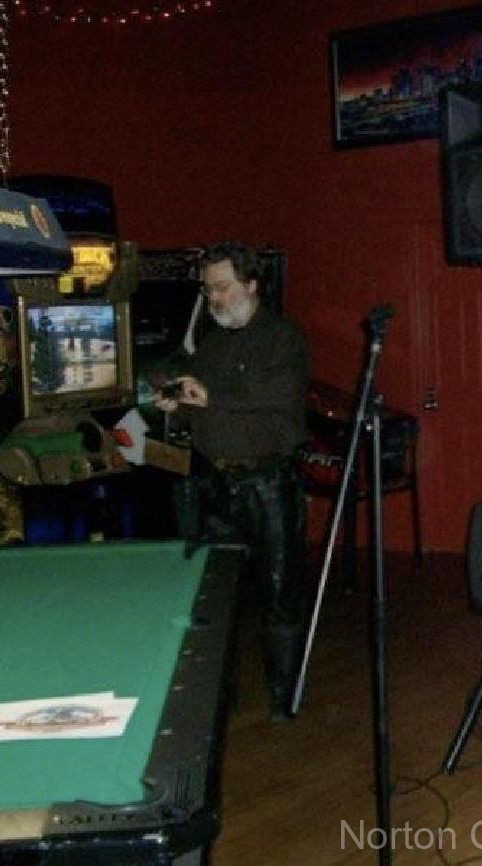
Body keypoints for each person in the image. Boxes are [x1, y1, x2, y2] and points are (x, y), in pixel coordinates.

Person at [155, 241, 311, 720]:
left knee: (279, 596)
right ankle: (215, 698)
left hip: (268, 485)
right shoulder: (212, 344)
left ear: (251, 285)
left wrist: (210, 395)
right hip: (216, 486)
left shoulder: (283, 338)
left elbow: (276, 392)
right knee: (214, 598)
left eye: (222, 287)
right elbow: (206, 407)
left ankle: (284, 701)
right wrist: (178, 404)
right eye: (209, 290)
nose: (215, 299)